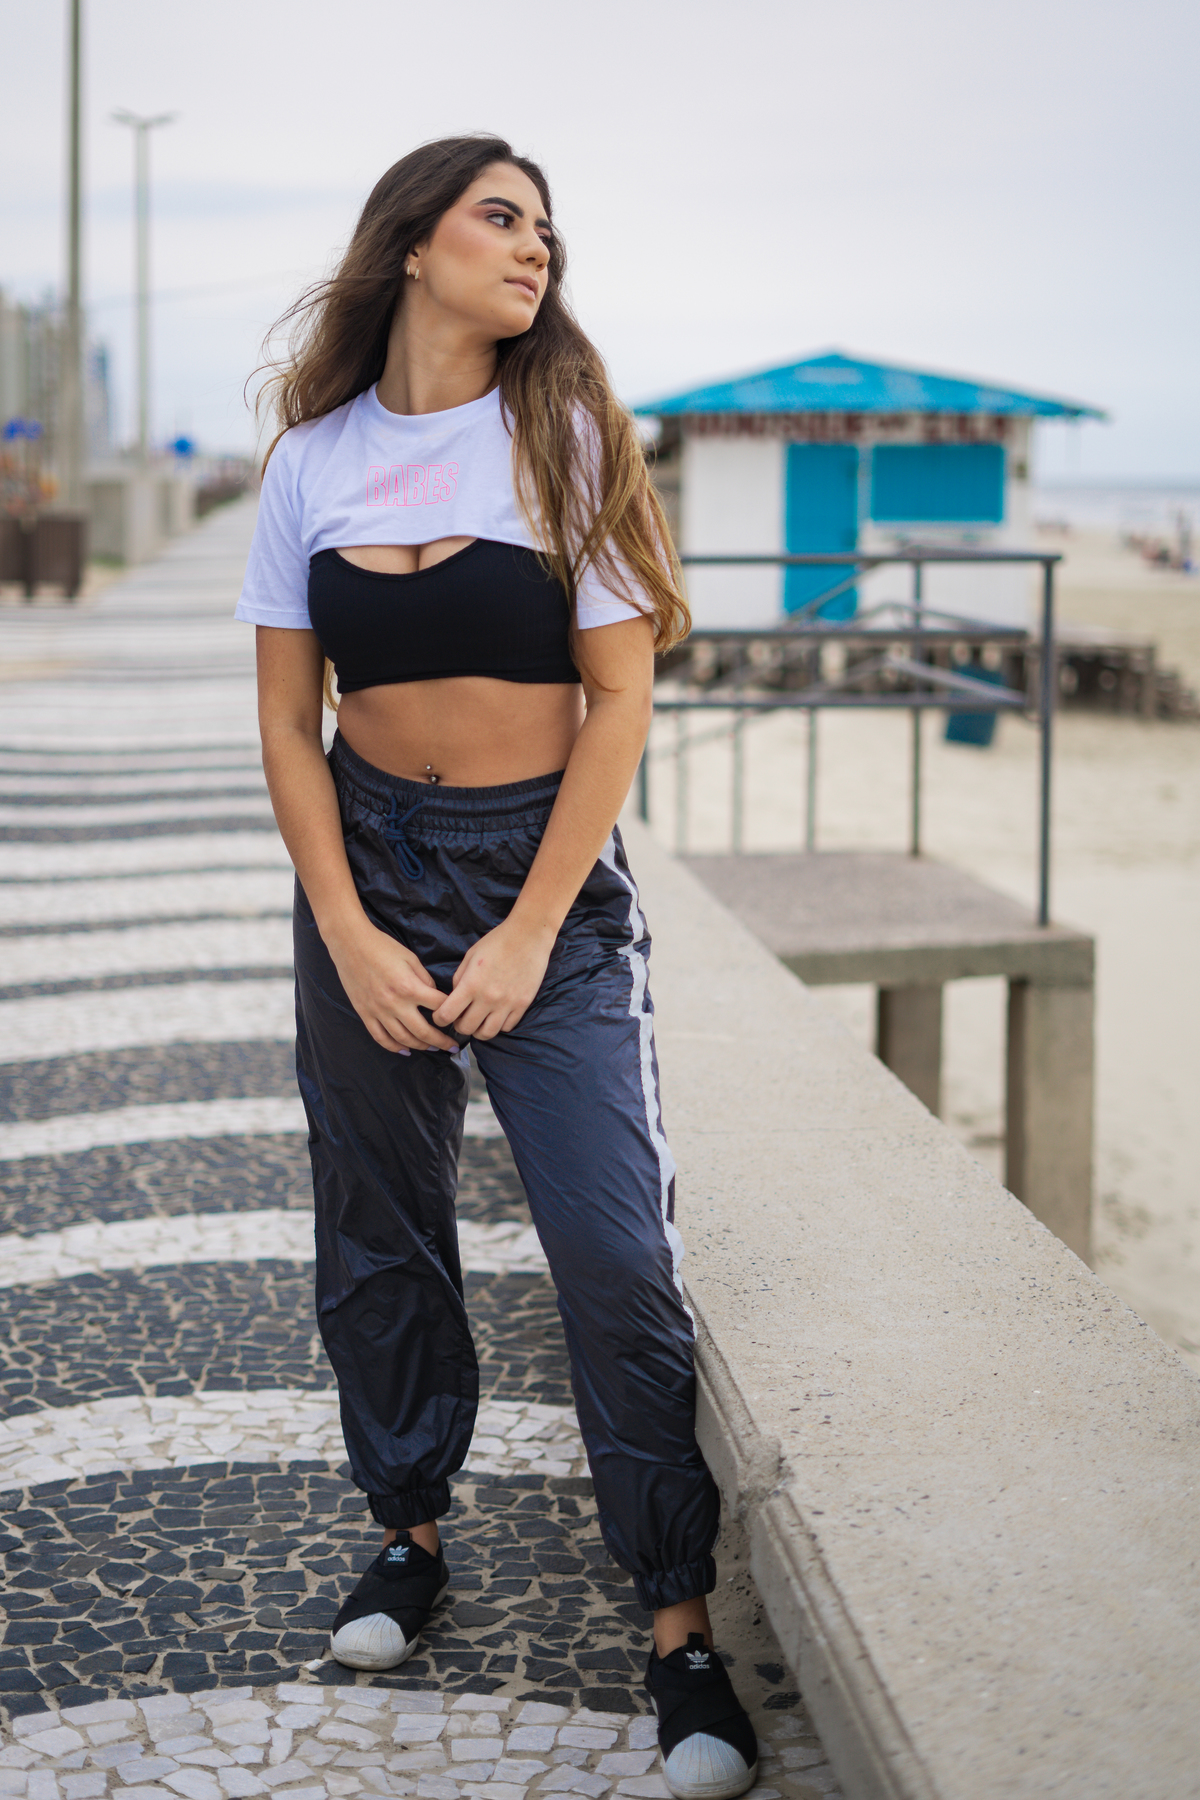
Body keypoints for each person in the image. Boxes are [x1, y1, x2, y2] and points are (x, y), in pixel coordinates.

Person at [236, 134, 757, 1800]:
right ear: (412, 245)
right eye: (501, 217)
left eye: (549, 230)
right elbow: (285, 718)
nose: (536, 249)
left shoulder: (568, 433)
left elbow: (620, 702)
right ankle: (407, 1532)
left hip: (546, 885)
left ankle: (679, 1629)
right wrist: (348, 927)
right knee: (378, 1230)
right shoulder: (308, 462)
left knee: (611, 1249)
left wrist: (531, 927)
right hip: (371, 865)